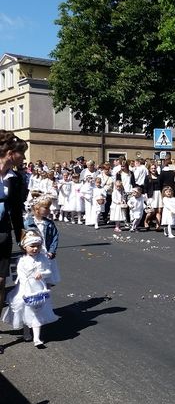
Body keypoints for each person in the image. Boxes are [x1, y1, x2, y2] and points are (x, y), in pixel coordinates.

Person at [2, 230, 59, 348]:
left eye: (38, 246)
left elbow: (48, 271)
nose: (35, 249)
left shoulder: (43, 258)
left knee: (37, 312)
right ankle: (26, 332)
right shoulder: (22, 260)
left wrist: (42, 274)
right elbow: (20, 275)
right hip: (25, 289)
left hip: (39, 288)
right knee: (26, 312)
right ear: (24, 247)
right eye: (32, 246)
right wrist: (25, 287)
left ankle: (37, 338)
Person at [0, 130, 27, 355]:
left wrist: (22, 237)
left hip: (2, 234)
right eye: (22, 154)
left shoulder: (16, 179)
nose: (24, 159)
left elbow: (17, 211)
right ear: (11, 153)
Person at [24, 196, 60, 286]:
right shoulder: (28, 223)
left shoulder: (49, 223)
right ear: (37, 209)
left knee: (46, 278)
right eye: (46, 208)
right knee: (34, 279)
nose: (49, 210)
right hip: (33, 255)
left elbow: (55, 237)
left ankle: (47, 298)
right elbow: (22, 239)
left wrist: (52, 251)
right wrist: (26, 250)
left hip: (46, 254)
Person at [144, 163, 163, 230]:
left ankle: (158, 226)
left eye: (154, 168)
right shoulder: (147, 177)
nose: (153, 169)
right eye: (152, 168)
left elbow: (161, 186)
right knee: (151, 211)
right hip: (151, 195)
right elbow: (145, 187)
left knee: (159, 210)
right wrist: (146, 195)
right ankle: (146, 221)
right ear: (149, 169)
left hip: (159, 194)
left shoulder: (159, 176)